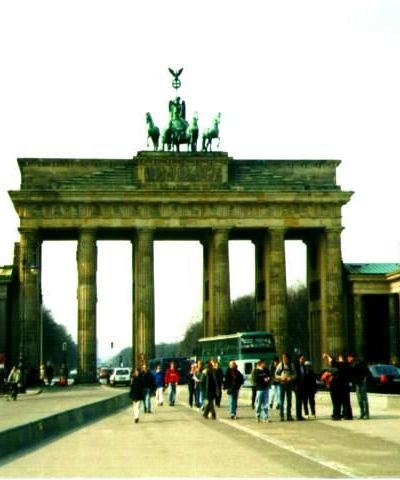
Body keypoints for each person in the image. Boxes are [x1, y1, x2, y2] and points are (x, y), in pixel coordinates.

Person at [323, 352, 353, 420]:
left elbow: (332, 362)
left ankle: (337, 415)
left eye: (339, 358)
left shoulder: (341, 365)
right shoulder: (347, 365)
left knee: (337, 402)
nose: (338, 359)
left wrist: (327, 356)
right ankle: (347, 415)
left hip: (339, 386)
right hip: (345, 386)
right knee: (346, 402)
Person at [347, 354, 370, 419]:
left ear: (352, 357)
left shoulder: (358, 363)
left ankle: (366, 414)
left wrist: (364, 379)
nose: (348, 359)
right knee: (359, 399)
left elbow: (366, 371)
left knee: (364, 398)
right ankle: (362, 413)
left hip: (361, 382)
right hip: (357, 383)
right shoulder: (351, 364)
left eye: (349, 358)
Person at [275, 352, 296, 421]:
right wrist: (281, 377)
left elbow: (294, 374)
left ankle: (289, 415)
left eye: (285, 358)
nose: (284, 359)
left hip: (289, 384)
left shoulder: (291, 365)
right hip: (282, 384)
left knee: (289, 401)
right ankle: (281, 416)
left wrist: (290, 377)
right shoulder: (280, 365)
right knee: (281, 401)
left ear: (288, 358)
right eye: (283, 358)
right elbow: (276, 374)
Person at [294, 354, 306, 420]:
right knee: (298, 401)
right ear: (299, 359)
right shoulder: (296, 366)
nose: (303, 360)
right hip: (297, 385)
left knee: (301, 400)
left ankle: (300, 415)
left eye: (303, 359)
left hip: (302, 385)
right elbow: (295, 376)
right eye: (301, 359)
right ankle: (298, 415)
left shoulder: (303, 366)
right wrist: (295, 385)